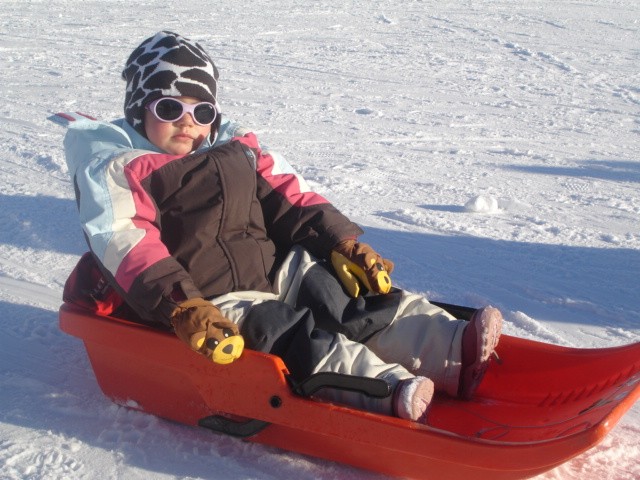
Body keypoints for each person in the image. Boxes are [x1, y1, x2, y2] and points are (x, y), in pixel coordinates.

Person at [61, 31, 502, 424]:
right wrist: (183, 305)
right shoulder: (120, 168)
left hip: (275, 269)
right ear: (139, 111)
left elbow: (292, 196)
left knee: (342, 296)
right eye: (170, 106)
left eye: (203, 110)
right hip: (211, 302)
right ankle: (386, 389)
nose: (187, 121)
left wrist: (340, 243)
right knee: (287, 334)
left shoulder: (237, 147)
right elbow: (125, 239)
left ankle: (448, 348)